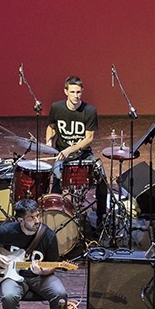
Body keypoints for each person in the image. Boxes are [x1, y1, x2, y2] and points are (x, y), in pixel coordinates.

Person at [0, 198, 68, 309]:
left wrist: (42, 271)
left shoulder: (48, 235)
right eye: (31, 218)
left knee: (60, 294)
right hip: (12, 276)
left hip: (40, 277)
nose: (37, 220)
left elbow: (53, 265)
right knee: (8, 297)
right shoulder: (9, 230)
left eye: (37, 216)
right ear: (21, 220)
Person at [45, 75, 107, 226]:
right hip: (61, 154)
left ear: (82, 91)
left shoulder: (89, 111)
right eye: (72, 92)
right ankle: (54, 216)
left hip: (83, 154)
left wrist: (70, 149)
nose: (76, 95)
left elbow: (89, 138)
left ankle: (101, 216)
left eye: (78, 92)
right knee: (56, 178)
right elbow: (51, 127)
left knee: (102, 177)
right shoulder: (57, 108)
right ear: (66, 91)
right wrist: (48, 142)